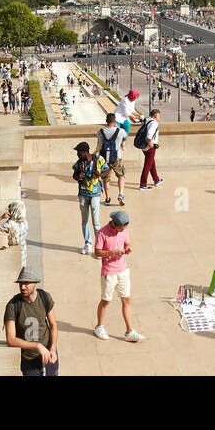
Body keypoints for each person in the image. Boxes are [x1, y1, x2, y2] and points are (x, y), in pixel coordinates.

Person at [93, 210, 145, 342]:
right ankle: (99, 327)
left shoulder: (124, 230)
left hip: (123, 270)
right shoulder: (102, 233)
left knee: (126, 300)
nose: (123, 230)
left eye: (125, 228)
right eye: (121, 228)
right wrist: (112, 252)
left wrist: (127, 248)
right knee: (106, 301)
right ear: (113, 224)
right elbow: (97, 253)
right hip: (109, 273)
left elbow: (126, 243)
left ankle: (129, 331)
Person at [4, 266, 59, 376]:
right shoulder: (13, 306)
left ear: (35, 283)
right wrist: (37, 346)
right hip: (29, 361)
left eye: (26, 283)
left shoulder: (45, 297)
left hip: (49, 355)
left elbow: (53, 325)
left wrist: (52, 348)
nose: (22, 287)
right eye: (20, 283)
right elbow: (11, 340)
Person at [73, 142, 108, 255]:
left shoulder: (98, 159)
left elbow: (107, 169)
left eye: (78, 152)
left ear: (84, 152)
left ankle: (99, 245)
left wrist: (100, 174)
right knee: (85, 220)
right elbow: (74, 174)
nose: (77, 154)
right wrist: (79, 177)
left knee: (96, 220)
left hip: (95, 193)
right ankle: (88, 243)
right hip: (83, 193)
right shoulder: (79, 163)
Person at [96, 112, 127, 206]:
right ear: (114, 121)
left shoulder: (100, 132)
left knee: (105, 179)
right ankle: (121, 194)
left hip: (104, 159)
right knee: (121, 176)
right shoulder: (120, 131)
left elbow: (98, 145)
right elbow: (125, 135)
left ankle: (107, 198)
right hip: (116, 158)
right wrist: (117, 127)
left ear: (106, 121)